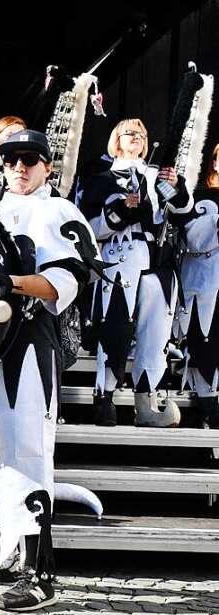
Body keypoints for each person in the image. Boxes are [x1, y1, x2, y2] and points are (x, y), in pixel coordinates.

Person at [0, 130, 94, 611]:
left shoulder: (59, 212)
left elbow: (66, 281)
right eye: (10, 158)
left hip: (30, 339)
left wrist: (11, 283)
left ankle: (39, 573)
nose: (19, 167)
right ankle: (4, 553)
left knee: (28, 450)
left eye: (30, 159)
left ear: (47, 166)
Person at [78, 119, 194, 426]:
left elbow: (183, 214)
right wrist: (119, 213)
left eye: (142, 134)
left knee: (155, 334)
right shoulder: (101, 178)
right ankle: (105, 396)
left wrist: (178, 187)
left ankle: (146, 402)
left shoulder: (157, 177)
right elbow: (86, 228)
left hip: (157, 261)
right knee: (115, 327)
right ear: (116, 139)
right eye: (130, 133)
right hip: (119, 257)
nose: (137, 139)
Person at [173, 143, 219, 426]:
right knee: (206, 343)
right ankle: (209, 405)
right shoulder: (199, 197)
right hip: (205, 285)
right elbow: (193, 240)